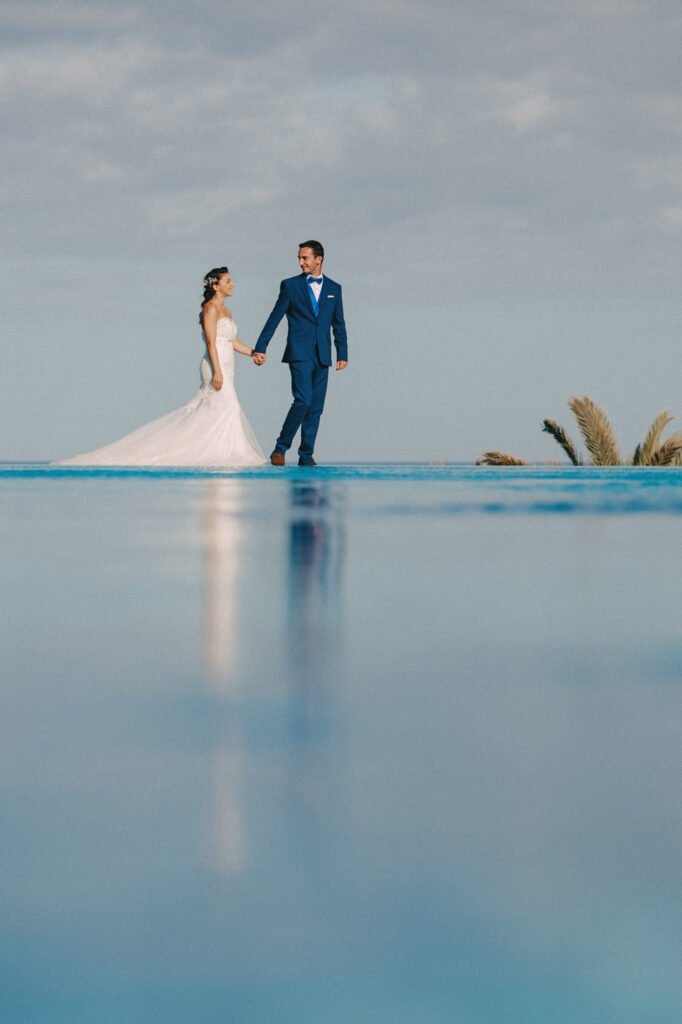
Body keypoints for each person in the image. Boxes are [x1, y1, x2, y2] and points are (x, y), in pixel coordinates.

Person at [57, 268, 266, 467]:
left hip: (228, 364)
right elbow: (211, 343)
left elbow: (233, 341)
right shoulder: (210, 309)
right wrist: (218, 372)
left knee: (222, 407)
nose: (232, 284)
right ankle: (221, 452)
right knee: (226, 404)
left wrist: (253, 353)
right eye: (228, 281)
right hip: (214, 364)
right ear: (216, 286)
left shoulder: (227, 311)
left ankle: (222, 450)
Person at [253, 240, 348, 466]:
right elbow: (274, 317)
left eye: (304, 258)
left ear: (319, 259)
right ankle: (280, 447)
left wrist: (342, 352)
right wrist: (261, 346)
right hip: (299, 352)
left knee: (316, 407)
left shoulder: (335, 288)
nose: (300, 262)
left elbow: (339, 323)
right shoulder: (290, 286)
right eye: (299, 258)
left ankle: (306, 455)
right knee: (303, 401)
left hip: (323, 355)